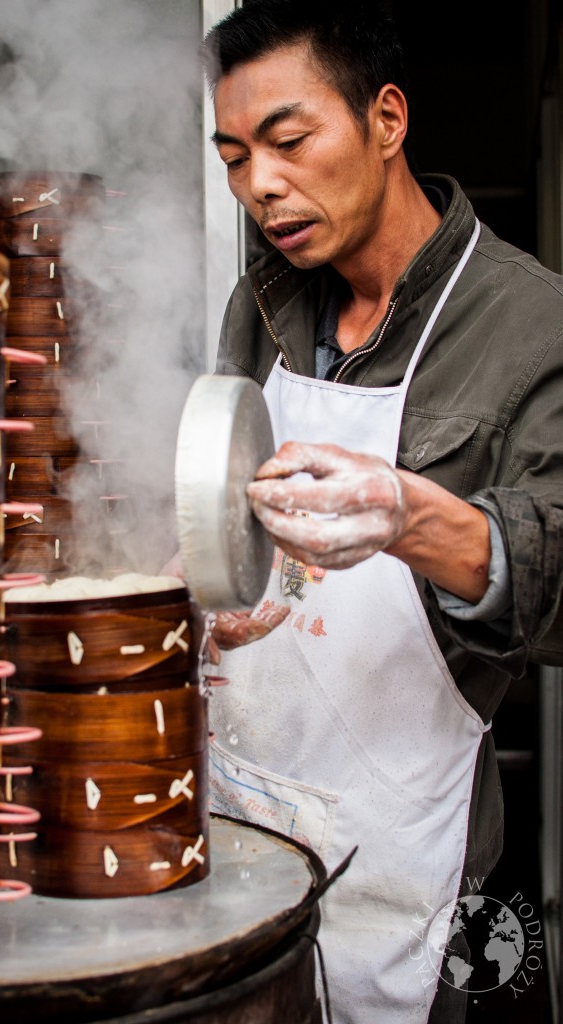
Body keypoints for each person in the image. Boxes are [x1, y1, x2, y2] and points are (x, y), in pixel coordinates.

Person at [199, 2, 563, 1022]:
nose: (259, 185)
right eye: (232, 156)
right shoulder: (259, 305)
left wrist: (408, 517)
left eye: (286, 140)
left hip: (421, 862)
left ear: (385, 120)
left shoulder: (528, 325)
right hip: (250, 825)